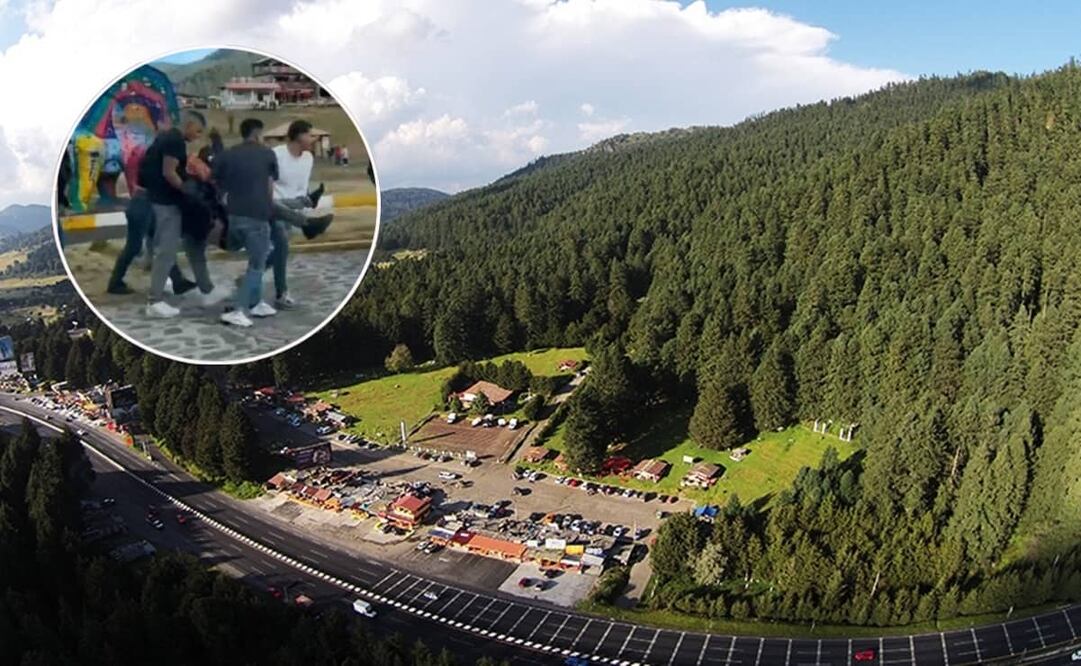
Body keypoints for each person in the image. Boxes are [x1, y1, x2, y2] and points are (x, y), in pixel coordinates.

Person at [140, 110, 228, 318]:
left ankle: (206, 289)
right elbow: (169, 172)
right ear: (188, 125)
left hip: (160, 199)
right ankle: (155, 301)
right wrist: (189, 192)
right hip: (166, 202)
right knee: (167, 250)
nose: (197, 136)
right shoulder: (174, 140)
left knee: (186, 246)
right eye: (197, 131)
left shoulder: (165, 137)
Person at [212, 117, 279, 327]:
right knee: (257, 264)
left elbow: (217, 182)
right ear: (258, 133)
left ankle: (256, 302)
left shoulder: (228, 155)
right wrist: (269, 211)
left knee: (256, 260)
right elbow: (269, 186)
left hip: (234, 215)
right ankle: (240, 309)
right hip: (257, 215)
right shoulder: (267, 154)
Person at [267, 119, 333, 307]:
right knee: (281, 245)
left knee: (281, 251)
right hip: (275, 207)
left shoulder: (308, 159)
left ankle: (248, 276)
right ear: (299, 136)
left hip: (294, 209)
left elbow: (301, 187)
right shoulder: (275, 155)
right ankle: (281, 293)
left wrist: (305, 206)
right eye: (310, 135)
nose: (312, 139)